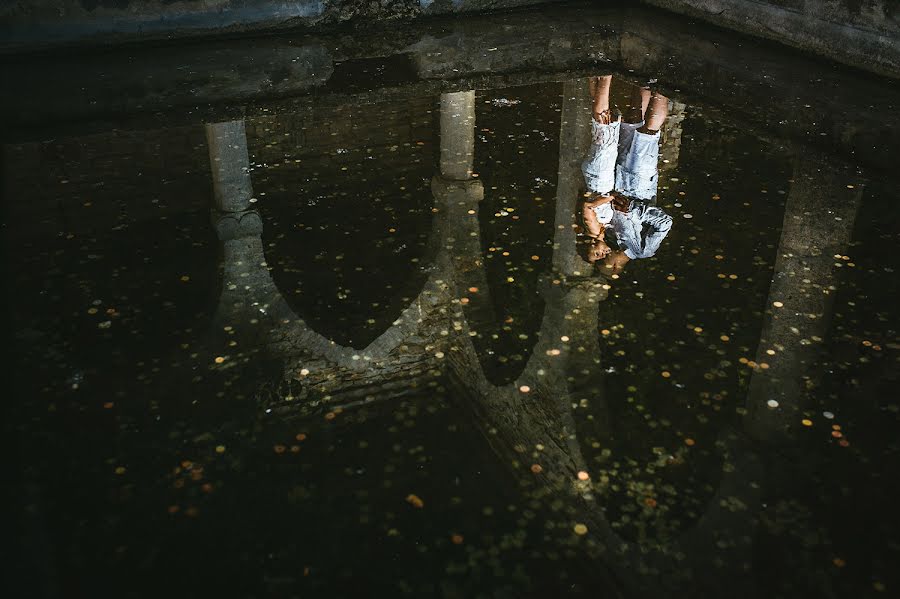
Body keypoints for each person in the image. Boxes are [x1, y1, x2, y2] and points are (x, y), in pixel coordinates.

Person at [579, 75, 673, 275]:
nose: (606, 255)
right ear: (615, 266)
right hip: (640, 184)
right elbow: (665, 222)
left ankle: (646, 77)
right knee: (648, 133)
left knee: (632, 120)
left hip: (621, 178)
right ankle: (665, 83)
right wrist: (634, 209)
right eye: (606, 260)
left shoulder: (613, 239)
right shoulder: (644, 251)